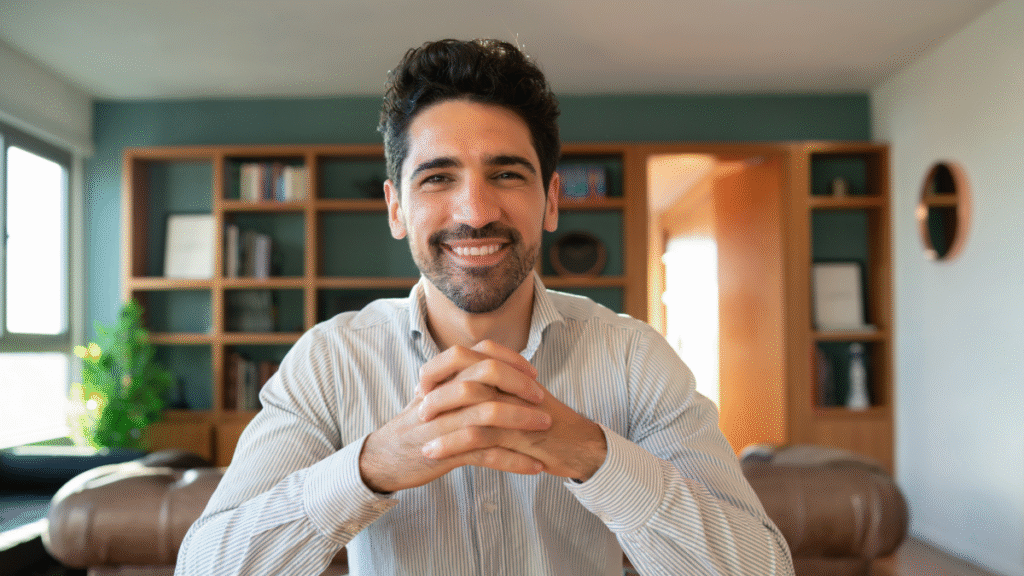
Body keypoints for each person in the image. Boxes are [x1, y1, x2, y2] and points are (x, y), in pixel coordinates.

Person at [175, 39, 793, 575]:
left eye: (506, 175)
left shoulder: (634, 359)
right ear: (396, 209)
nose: (474, 212)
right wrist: (369, 468)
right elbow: (207, 567)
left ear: (551, 201)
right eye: (438, 178)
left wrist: (592, 454)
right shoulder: (330, 362)